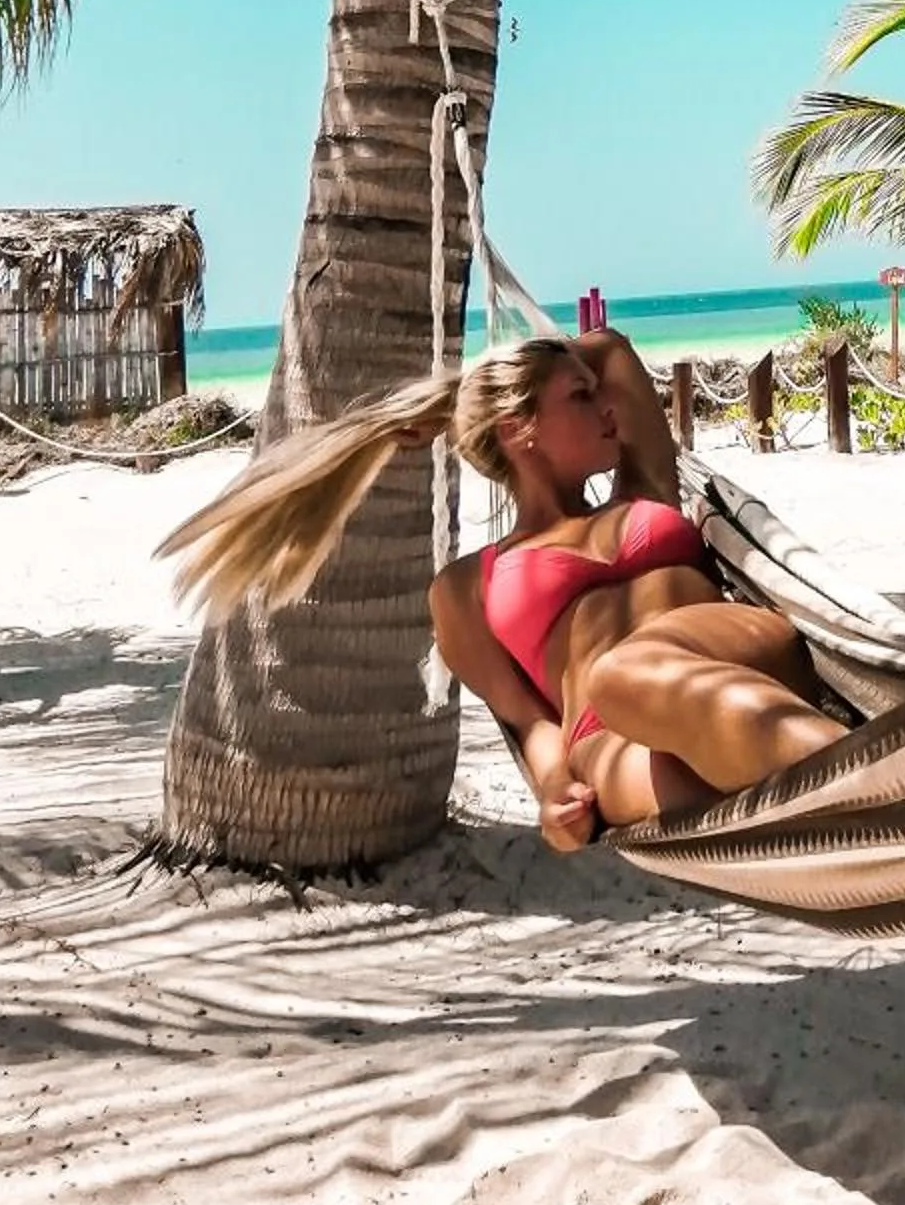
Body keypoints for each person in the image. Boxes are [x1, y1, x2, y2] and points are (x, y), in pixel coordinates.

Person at [160, 329, 848, 854]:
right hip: (604, 745)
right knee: (646, 735)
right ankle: (854, 789)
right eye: (581, 398)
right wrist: (555, 794)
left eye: (595, 393)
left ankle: (870, 782)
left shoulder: (645, 487)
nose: (608, 409)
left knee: (621, 673)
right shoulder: (463, 589)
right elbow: (532, 725)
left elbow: (609, 349)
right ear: (522, 431)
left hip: (734, 664)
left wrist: (454, 401)